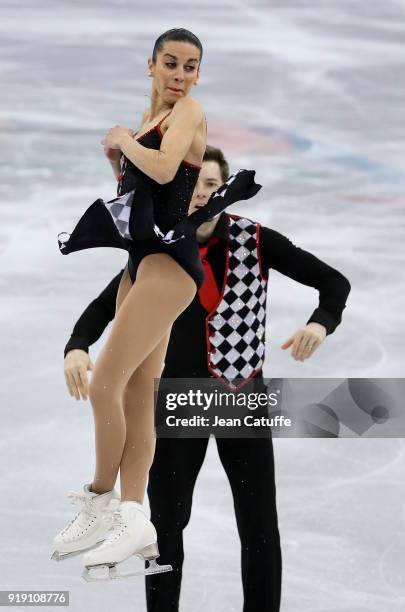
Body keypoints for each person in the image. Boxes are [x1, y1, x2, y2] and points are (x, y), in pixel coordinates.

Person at [62, 145, 351, 609]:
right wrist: (77, 346)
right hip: (176, 401)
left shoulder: (256, 240)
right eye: (194, 185)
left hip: (241, 397)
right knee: (165, 525)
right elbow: (103, 306)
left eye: (212, 186)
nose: (201, 195)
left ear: (227, 189)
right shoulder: (159, 251)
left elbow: (334, 282)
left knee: (258, 523)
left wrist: (320, 322)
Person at [52, 29, 261, 581]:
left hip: (171, 267)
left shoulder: (189, 112)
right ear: (150, 66)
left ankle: (101, 500)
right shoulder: (150, 123)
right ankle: (134, 514)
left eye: (190, 66)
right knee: (141, 392)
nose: (180, 75)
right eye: (171, 64)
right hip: (139, 262)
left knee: (105, 386)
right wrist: (117, 157)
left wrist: (125, 139)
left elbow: (167, 172)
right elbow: (139, 195)